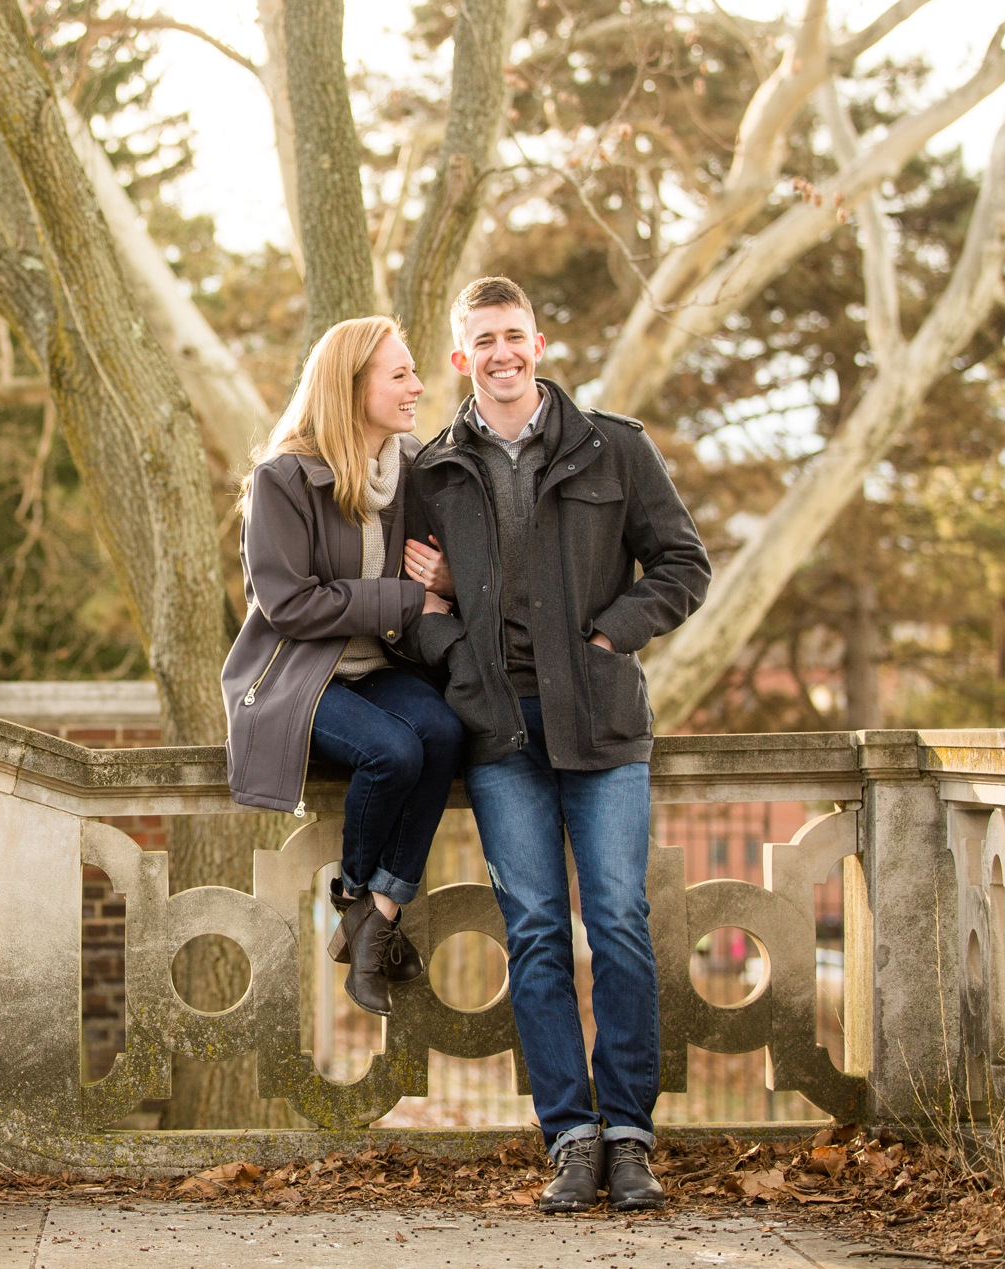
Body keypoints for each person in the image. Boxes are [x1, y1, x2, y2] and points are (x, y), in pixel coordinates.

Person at [395, 277, 710, 1213]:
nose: (500, 353)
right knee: (534, 929)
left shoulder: (614, 447)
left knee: (615, 919)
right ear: (461, 357)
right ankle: (570, 1135)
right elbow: (412, 607)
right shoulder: (433, 471)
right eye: (481, 340)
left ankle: (631, 1134)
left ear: (540, 342)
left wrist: (611, 633)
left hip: (603, 721)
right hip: (498, 728)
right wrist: (453, 648)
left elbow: (684, 565)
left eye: (514, 336)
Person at [223, 316, 466, 1018]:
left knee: (444, 734)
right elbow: (289, 603)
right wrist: (406, 596)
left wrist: (446, 580)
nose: (418, 386)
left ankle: (375, 913)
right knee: (390, 751)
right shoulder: (284, 477)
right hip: (299, 675)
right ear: (351, 385)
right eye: (399, 375)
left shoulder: (413, 467)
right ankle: (356, 895)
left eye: (414, 371)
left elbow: (445, 573)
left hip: (378, 663)